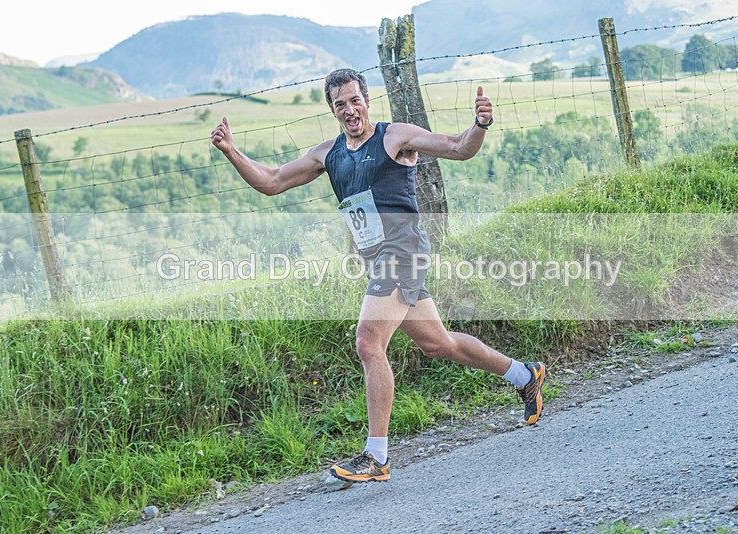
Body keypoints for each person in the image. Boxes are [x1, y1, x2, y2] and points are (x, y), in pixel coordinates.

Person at [211, 68, 546, 484]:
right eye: (340, 104)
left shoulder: (395, 137)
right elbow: (273, 182)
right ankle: (523, 374)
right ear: (332, 110)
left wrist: (479, 124)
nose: (349, 110)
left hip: (403, 252)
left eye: (355, 100)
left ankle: (377, 456)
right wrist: (231, 151)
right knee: (438, 344)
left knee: (368, 342)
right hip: (378, 260)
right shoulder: (328, 153)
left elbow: (459, 148)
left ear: (367, 99)